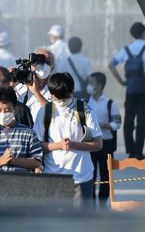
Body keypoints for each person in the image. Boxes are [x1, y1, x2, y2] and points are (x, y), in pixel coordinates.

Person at [34, 73, 102, 207]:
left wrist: (73, 144)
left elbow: (98, 144)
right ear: (51, 93)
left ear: (72, 91)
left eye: (64, 97)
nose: (61, 101)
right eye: (56, 97)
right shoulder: (45, 111)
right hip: (53, 177)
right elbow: (37, 146)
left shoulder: (84, 110)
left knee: (81, 223)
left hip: (81, 177)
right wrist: (59, 145)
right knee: (55, 223)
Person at [108, 22, 145, 159]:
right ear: (144, 33)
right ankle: (139, 151)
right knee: (142, 120)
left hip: (130, 88)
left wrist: (121, 81)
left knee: (128, 120)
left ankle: (130, 150)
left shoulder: (126, 50)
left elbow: (111, 64)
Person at [0, 87, 43, 172]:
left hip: (22, 182)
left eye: (7, 110)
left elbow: (37, 162)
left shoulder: (28, 133)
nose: (3, 114)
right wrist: (0, 162)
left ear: (15, 110)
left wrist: (15, 161)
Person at [86, 72, 121, 205]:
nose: (88, 86)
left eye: (91, 83)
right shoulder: (85, 102)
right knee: (91, 176)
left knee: (106, 177)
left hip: (106, 144)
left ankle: (102, 203)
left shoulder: (111, 103)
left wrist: (105, 125)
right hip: (90, 144)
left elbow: (117, 123)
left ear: (100, 86)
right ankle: (91, 203)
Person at [14, 48, 55, 121]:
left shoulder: (56, 89)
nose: (43, 65)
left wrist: (36, 93)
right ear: (31, 64)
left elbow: (55, 115)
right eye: (39, 61)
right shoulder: (19, 89)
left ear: (52, 67)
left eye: (47, 63)